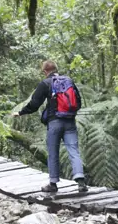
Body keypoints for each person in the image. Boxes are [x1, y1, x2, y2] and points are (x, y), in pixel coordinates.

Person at [11, 60, 87, 193]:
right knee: (74, 151)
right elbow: (78, 102)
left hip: (54, 123)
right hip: (70, 122)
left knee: (53, 152)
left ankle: (53, 184)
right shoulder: (68, 81)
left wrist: (21, 112)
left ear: (45, 71)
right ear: (56, 69)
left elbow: (35, 104)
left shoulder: (45, 83)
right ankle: (81, 182)